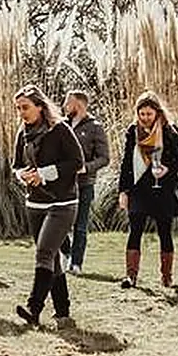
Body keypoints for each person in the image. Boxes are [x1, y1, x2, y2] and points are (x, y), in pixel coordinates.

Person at [10, 85, 83, 328]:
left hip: (62, 202)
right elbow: (16, 165)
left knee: (44, 253)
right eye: (19, 108)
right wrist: (24, 175)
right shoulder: (23, 132)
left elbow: (77, 162)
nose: (22, 112)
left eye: (26, 107)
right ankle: (63, 311)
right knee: (50, 258)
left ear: (40, 106)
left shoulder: (59, 129)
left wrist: (45, 174)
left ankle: (34, 308)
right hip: (35, 202)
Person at [116, 91, 178, 289]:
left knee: (165, 232)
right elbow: (126, 163)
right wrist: (123, 191)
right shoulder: (133, 131)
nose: (145, 118)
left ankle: (166, 276)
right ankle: (131, 276)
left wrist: (167, 169)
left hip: (163, 189)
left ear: (157, 112)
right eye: (141, 114)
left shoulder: (169, 131)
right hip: (139, 188)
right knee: (135, 230)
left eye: (149, 114)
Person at [59, 90, 107, 273]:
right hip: (62, 183)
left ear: (79, 104)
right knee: (59, 222)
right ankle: (66, 253)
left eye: (68, 102)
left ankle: (76, 263)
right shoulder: (62, 125)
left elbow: (104, 158)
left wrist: (85, 167)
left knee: (80, 225)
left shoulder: (95, 127)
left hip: (84, 183)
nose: (64, 105)